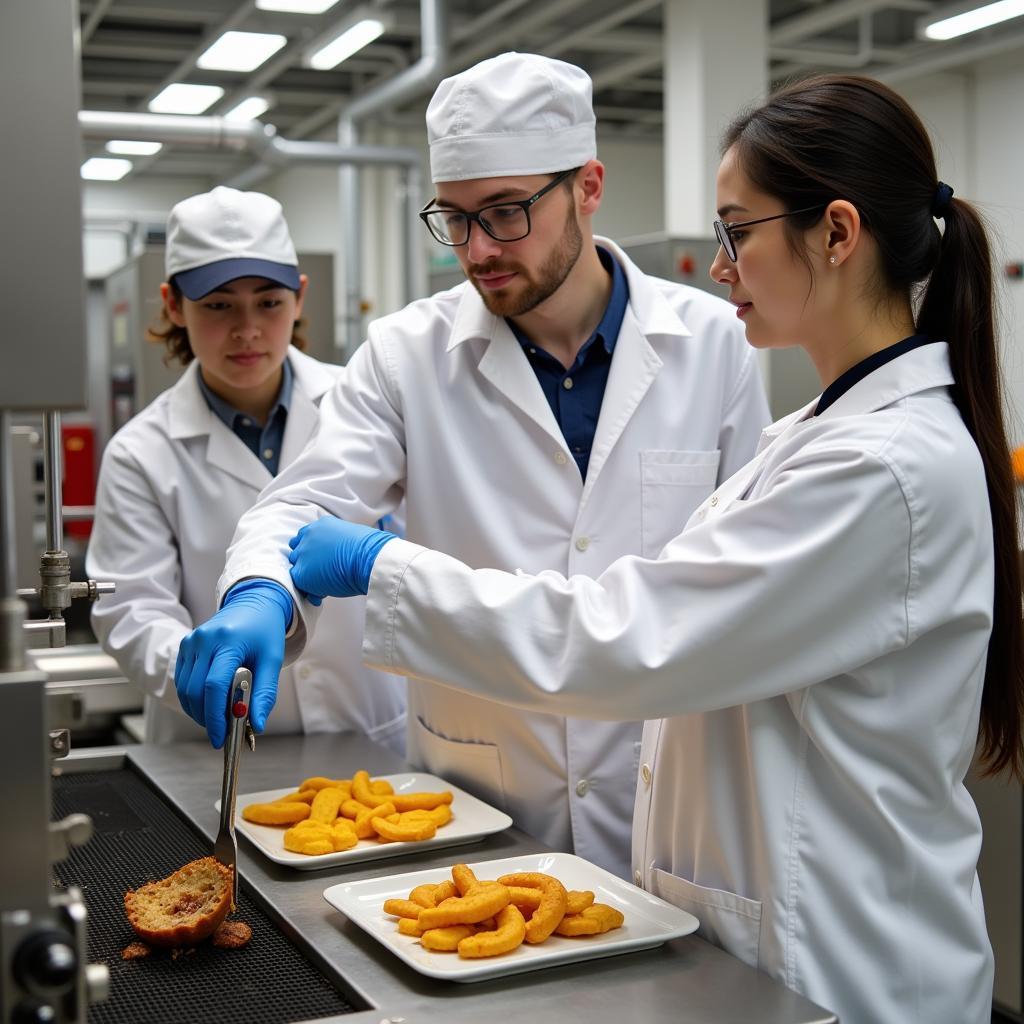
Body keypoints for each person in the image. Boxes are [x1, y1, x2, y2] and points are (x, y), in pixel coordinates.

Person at [246, 75, 1023, 1022]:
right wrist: (262, 586)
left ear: (837, 234)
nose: (722, 266)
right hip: (681, 893)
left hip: (843, 960)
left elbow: (634, 632)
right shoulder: (821, 435)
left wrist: (381, 569)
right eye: (456, 220)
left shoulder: (879, 467)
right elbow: (672, 613)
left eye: (738, 233)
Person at [173, 52, 770, 880]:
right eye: (453, 218)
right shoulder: (407, 354)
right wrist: (261, 591)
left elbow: (743, 587)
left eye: (506, 213)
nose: (478, 248)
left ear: (588, 187)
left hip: (665, 799)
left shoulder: (715, 347)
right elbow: (299, 504)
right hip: (481, 802)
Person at [87, 186, 406, 751]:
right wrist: (208, 670)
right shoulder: (141, 452)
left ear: (300, 297)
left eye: (269, 301)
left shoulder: (367, 406)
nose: (248, 328)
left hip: (370, 730)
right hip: (220, 745)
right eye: (218, 305)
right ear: (171, 304)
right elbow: (132, 610)